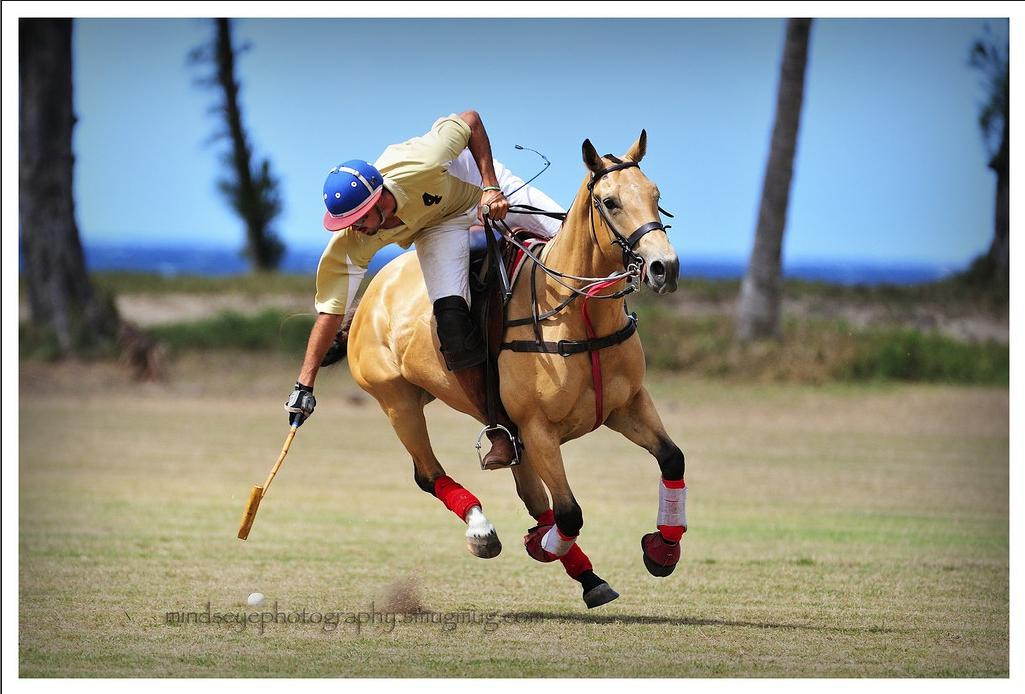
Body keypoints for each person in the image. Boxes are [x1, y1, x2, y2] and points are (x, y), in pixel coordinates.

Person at [285, 110, 563, 468]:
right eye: (347, 223)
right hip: (438, 226)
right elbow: (330, 311)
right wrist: (304, 385)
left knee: (569, 237)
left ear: (378, 199)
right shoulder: (352, 242)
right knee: (451, 322)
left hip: (477, 185)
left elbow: (471, 121)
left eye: (358, 219)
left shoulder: (422, 161)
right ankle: (499, 428)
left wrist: (491, 186)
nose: (354, 229)